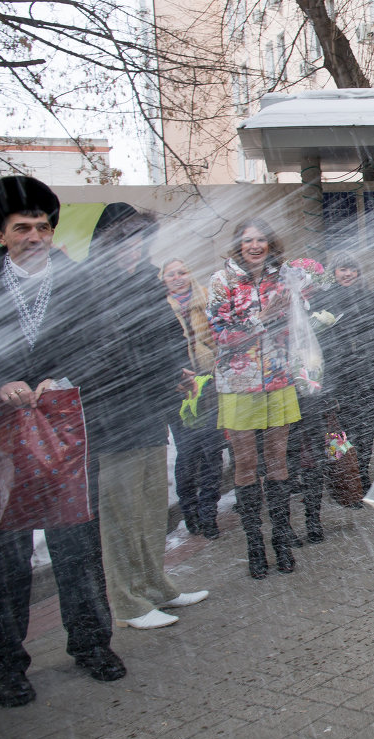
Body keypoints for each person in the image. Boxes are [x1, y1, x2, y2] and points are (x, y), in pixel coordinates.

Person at [0, 176, 126, 706]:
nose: (34, 235)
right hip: (3, 440)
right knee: (7, 556)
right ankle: (8, 664)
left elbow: (107, 345)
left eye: (42, 227)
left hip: (66, 435)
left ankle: (92, 644)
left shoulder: (81, 282)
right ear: (2, 234)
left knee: (77, 544)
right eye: (22, 227)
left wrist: (67, 375)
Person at [85, 204, 209, 630]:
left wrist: (179, 371)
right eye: (123, 241)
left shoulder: (144, 281)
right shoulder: (91, 287)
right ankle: (127, 603)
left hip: (149, 412)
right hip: (112, 420)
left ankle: (156, 585)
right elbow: (100, 357)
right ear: (105, 243)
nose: (133, 250)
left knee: (151, 506)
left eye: (139, 240)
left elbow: (165, 338)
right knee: (121, 515)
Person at [207, 218, 301, 579]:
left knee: (278, 462)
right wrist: (262, 318)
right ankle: (254, 546)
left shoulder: (284, 277)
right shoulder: (222, 281)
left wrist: (297, 309)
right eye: (248, 240)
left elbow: (297, 327)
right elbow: (222, 335)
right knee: (246, 466)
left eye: (262, 239)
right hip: (238, 383)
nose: (256, 245)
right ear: (238, 245)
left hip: (278, 379)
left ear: (271, 243)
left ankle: (281, 539)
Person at [161, 258, 223, 540]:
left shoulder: (207, 299)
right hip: (178, 387)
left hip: (208, 380)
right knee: (187, 452)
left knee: (212, 450)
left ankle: (209, 512)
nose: (178, 277)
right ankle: (190, 511)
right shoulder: (159, 307)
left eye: (182, 272)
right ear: (163, 279)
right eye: (171, 274)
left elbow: (220, 334)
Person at [317, 252, 374, 494]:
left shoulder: (368, 296)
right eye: (341, 270)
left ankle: (361, 473)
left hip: (364, 371)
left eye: (351, 269)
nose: (347, 274)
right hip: (337, 373)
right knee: (339, 430)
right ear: (333, 273)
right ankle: (343, 476)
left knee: (364, 427)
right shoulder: (323, 298)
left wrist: (372, 358)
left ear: (358, 272)